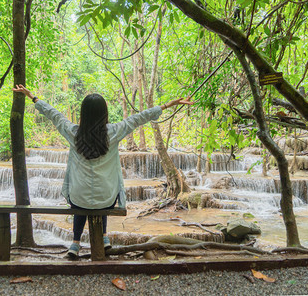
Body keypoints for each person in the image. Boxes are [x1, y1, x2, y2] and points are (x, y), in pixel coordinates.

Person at [12, 84, 194, 258]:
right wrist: (168, 104)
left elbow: (53, 114)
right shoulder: (114, 132)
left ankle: (75, 243)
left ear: (83, 113)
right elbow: (140, 118)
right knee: (104, 194)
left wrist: (32, 96)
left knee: (80, 202)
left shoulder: (72, 132)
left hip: (79, 198)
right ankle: (104, 236)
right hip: (106, 199)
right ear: (104, 113)